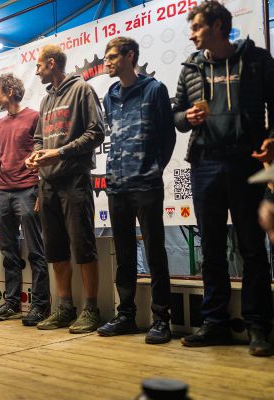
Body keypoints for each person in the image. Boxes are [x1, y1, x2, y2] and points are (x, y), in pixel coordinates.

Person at [172, 1, 274, 356]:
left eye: (197, 27)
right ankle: (214, 323)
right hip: (205, 163)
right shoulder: (191, 66)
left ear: (218, 26)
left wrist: (271, 139)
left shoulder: (257, 60)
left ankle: (258, 326)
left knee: (252, 247)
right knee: (211, 247)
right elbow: (176, 115)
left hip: (247, 161)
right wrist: (187, 117)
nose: (192, 34)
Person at [96, 37, 176, 344]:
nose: (107, 62)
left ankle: (161, 319)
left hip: (146, 185)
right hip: (117, 186)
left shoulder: (155, 89)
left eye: (113, 57)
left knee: (155, 252)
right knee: (125, 253)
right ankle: (126, 315)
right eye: (106, 57)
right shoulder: (110, 95)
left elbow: (168, 136)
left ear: (130, 56)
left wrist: (153, 168)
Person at [25, 44, 105, 333]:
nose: (36, 71)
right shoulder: (46, 99)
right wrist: (35, 155)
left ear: (51, 63)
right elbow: (38, 139)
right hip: (47, 183)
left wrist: (59, 153)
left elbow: (97, 132)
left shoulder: (82, 90)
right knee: (56, 249)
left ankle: (91, 310)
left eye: (39, 66)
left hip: (74, 180)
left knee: (83, 246)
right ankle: (65, 308)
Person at [0, 73, 50, 326]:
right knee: (9, 251)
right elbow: (8, 160)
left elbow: (41, 156)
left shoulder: (34, 117)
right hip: (4, 192)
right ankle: (11, 303)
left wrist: (40, 190)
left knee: (35, 251)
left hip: (28, 190)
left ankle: (40, 305)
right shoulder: (0, 125)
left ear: (10, 91)